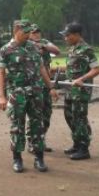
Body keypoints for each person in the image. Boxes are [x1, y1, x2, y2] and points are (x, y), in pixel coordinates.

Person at [0, 20, 58, 173]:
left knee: (38, 125)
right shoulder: (6, 50)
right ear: (16, 31)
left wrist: (50, 87)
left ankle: (39, 158)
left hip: (36, 93)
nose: (29, 35)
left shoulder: (34, 48)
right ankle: (17, 158)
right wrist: (1, 96)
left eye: (30, 32)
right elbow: (1, 73)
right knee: (17, 126)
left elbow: (42, 68)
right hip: (17, 94)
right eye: (25, 32)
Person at [59, 23, 99, 161]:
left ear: (77, 35)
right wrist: (59, 69)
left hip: (81, 91)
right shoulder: (72, 49)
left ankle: (84, 148)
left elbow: (97, 69)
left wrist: (82, 79)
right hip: (70, 89)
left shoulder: (86, 49)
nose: (65, 38)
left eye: (68, 35)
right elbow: (73, 68)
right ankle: (77, 143)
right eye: (65, 35)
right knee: (69, 116)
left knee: (79, 118)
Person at [28, 24, 61, 152]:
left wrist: (43, 46)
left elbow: (57, 51)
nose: (36, 34)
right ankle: (32, 142)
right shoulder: (25, 44)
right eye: (33, 32)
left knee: (47, 113)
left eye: (38, 31)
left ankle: (41, 140)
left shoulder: (44, 42)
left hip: (46, 84)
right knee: (35, 114)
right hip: (33, 84)